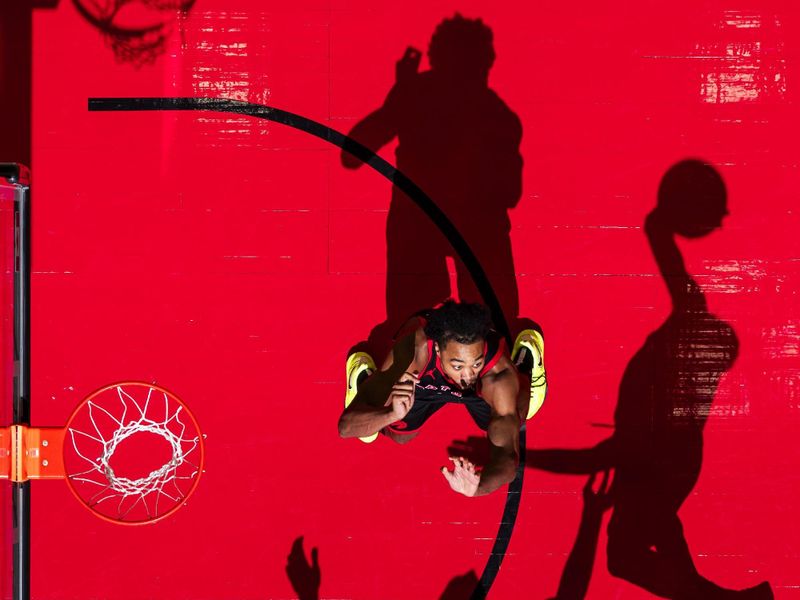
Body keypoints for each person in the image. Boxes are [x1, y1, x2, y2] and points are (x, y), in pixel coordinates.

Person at [338, 301, 545, 497]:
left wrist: (477, 488)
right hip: (422, 382)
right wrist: (389, 414)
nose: (468, 375)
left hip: (480, 392)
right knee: (400, 436)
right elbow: (346, 427)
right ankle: (366, 381)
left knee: (515, 415)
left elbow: (507, 456)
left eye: (476, 363)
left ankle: (525, 366)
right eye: (458, 365)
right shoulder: (413, 351)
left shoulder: (496, 373)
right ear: (438, 349)